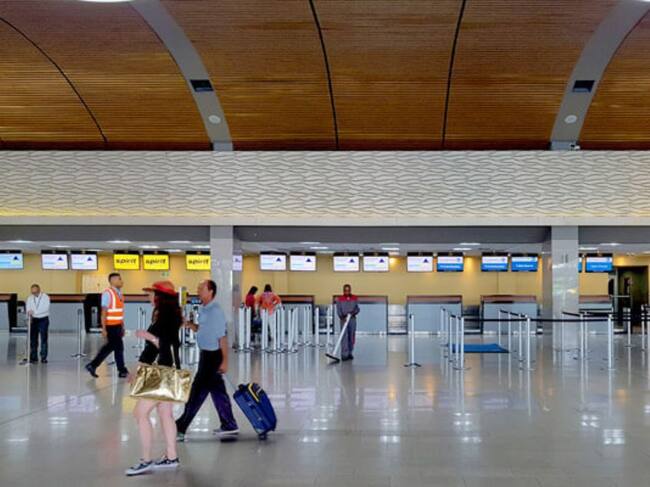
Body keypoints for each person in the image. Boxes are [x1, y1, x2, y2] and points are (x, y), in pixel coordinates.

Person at [126, 280, 182, 476]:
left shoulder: (165, 318)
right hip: (170, 371)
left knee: (140, 413)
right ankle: (171, 456)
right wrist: (137, 369)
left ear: (160, 297)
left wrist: (148, 336)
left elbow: (163, 347)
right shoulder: (168, 316)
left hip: (163, 373)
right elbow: (155, 350)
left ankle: (146, 460)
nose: (149, 296)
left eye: (151, 293)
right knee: (165, 414)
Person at [176, 280, 239, 442]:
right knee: (218, 393)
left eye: (201, 288)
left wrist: (225, 361)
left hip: (213, 357)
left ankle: (181, 426)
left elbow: (222, 337)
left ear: (210, 291)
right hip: (206, 355)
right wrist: (191, 325)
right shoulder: (204, 309)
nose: (198, 290)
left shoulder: (215, 311)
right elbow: (203, 329)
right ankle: (229, 424)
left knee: (197, 392)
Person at [86, 273, 129, 378]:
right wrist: (104, 328)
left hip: (117, 325)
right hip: (111, 326)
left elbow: (119, 312)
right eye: (119, 279)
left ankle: (93, 365)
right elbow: (104, 312)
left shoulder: (119, 294)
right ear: (113, 281)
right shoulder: (108, 293)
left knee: (112, 347)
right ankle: (121, 370)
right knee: (116, 347)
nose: (121, 281)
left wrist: (122, 326)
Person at [26, 284, 50, 364]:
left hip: (43, 319)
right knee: (33, 339)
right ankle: (33, 357)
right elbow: (28, 308)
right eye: (32, 292)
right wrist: (29, 315)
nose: (34, 294)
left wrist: (34, 312)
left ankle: (43, 357)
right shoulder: (30, 298)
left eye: (35, 292)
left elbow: (46, 308)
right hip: (33, 320)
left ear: (39, 290)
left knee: (43, 339)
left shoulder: (45, 297)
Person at [336, 284, 360, 361]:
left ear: (350, 290)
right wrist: (341, 317)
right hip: (344, 320)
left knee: (351, 336)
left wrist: (354, 313)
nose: (347, 292)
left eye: (348, 290)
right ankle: (344, 354)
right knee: (344, 336)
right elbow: (338, 309)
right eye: (345, 290)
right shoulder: (340, 299)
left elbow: (357, 308)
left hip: (352, 319)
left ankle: (350, 353)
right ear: (343, 291)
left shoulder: (354, 298)